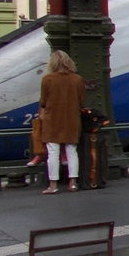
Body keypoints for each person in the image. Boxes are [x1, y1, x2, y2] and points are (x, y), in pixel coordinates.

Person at [38, 50, 86, 194]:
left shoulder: (48, 79)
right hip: (71, 118)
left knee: (53, 152)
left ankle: (53, 185)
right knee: (72, 151)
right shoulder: (77, 79)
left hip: (52, 119)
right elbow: (81, 99)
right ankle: (72, 183)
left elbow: (43, 101)